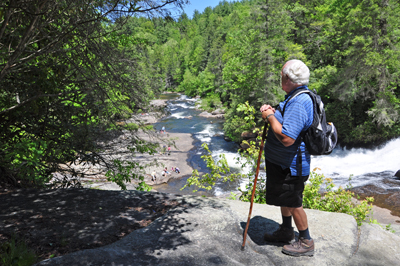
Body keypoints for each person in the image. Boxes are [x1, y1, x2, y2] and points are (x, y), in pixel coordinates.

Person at [260, 59, 314, 257]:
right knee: (285, 197)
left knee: (293, 201)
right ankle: (285, 230)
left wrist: (269, 117)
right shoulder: (294, 96)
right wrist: (275, 114)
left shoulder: (300, 101)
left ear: (288, 78)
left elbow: (287, 138)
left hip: (292, 165)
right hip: (283, 163)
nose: (280, 78)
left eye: (282, 75)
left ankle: (306, 241)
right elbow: (289, 124)